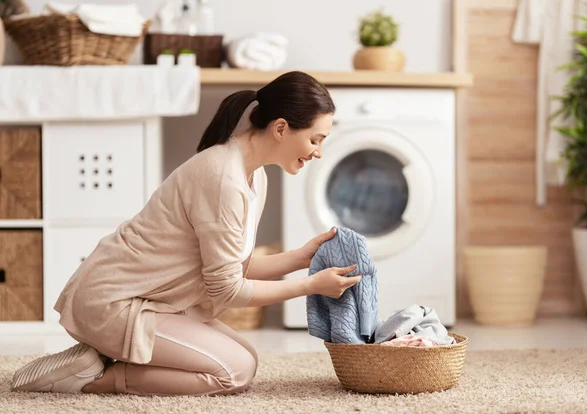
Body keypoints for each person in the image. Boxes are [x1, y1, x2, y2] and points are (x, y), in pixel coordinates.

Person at [11, 71, 363, 396]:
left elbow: (234, 266)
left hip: (153, 301)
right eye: (315, 139)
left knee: (247, 357)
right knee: (234, 372)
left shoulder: (254, 174)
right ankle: (93, 378)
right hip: (114, 303)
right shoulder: (224, 178)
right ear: (282, 128)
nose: (318, 152)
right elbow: (227, 289)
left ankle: (98, 357)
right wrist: (310, 286)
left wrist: (304, 257)